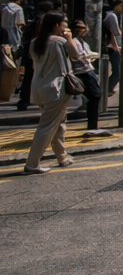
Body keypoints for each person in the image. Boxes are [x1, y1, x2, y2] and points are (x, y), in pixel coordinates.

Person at [22, 12, 74, 173]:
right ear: (56, 25)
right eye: (64, 22)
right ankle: (32, 163)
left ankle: (62, 157)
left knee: (59, 123)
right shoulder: (59, 41)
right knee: (46, 127)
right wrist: (70, 39)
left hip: (39, 87)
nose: (66, 26)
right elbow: (76, 55)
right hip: (56, 88)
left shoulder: (34, 42)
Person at [65, 20, 110, 137]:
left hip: (87, 69)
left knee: (95, 95)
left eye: (83, 27)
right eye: (80, 28)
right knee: (95, 95)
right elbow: (77, 55)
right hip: (81, 71)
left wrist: (92, 55)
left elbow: (86, 53)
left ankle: (93, 124)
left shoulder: (82, 41)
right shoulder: (73, 41)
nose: (83, 30)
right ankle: (92, 126)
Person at [102, 0, 123, 98]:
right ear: (116, 6)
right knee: (117, 70)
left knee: (118, 69)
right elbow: (116, 32)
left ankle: (109, 88)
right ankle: (108, 89)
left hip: (115, 45)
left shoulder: (118, 15)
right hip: (113, 46)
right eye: (122, 6)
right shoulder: (112, 16)